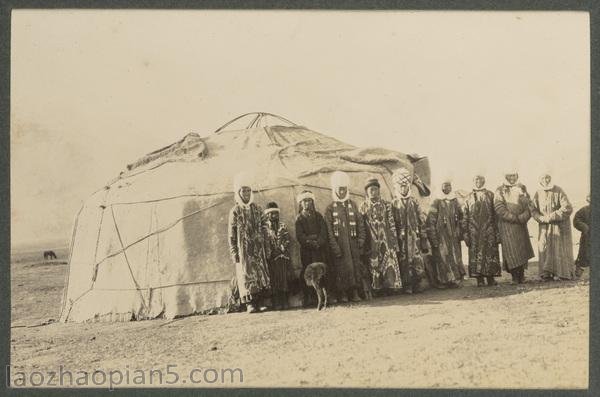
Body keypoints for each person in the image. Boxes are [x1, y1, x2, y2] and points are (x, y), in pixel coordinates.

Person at [227, 173, 271, 313]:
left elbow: (265, 227)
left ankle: (260, 302)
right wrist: (234, 252)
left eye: (248, 190)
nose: (246, 193)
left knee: (259, 274)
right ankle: (250, 304)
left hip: (258, 248)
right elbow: (231, 234)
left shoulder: (257, 209)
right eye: (243, 190)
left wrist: (267, 246)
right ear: (238, 193)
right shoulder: (235, 211)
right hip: (243, 250)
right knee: (246, 274)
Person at [324, 171, 366, 302]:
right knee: (341, 269)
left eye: (344, 189)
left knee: (354, 268)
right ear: (335, 190)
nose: (341, 192)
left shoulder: (352, 205)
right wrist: (334, 246)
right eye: (339, 189)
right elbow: (329, 230)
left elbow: (360, 224)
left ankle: (354, 293)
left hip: (353, 244)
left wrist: (361, 239)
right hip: (340, 245)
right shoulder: (330, 208)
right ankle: (342, 294)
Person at [359, 178, 402, 294]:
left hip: (386, 239)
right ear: (367, 192)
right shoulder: (363, 206)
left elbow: (392, 223)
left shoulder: (386, 205)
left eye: (375, 189)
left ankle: (391, 287)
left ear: (379, 191)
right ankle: (376, 289)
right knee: (374, 263)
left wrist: (394, 242)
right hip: (371, 240)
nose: (373, 192)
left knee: (389, 261)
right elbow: (361, 225)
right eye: (370, 190)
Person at [530, 174, 574, 280]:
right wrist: (539, 218)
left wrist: (551, 217)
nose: (546, 180)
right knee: (544, 247)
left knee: (558, 248)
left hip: (558, 225)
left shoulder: (558, 190)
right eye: (543, 178)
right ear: (540, 179)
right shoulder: (538, 193)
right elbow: (533, 209)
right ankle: (546, 273)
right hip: (544, 226)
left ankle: (561, 273)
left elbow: (567, 208)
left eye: (548, 177)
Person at [391, 168, 428, 294]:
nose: (403, 189)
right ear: (397, 187)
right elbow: (391, 222)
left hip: (414, 237)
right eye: (401, 187)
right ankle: (407, 285)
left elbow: (421, 220)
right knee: (403, 260)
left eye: (405, 186)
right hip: (401, 239)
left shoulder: (414, 202)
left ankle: (417, 284)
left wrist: (423, 238)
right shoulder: (394, 203)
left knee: (416, 260)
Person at [494, 171, 534, 284]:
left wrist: (523, 217)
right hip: (507, 226)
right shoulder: (500, 190)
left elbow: (529, 205)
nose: (512, 178)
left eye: (514, 176)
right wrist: (513, 218)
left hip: (520, 225)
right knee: (511, 251)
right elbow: (499, 208)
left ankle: (522, 276)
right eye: (510, 176)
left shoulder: (522, 188)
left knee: (521, 250)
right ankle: (515, 277)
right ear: (506, 176)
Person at [294, 190, 334, 306]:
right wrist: (311, 241)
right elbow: (300, 236)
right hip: (307, 251)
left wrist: (319, 242)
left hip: (320, 250)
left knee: (322, 273)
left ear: (313, 202)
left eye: (309, 201)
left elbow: (323, 232)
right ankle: (311, 297)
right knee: (310, 274)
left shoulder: (318, 216)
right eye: (304, 201)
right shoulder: (299, 219)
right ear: (301, 203)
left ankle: (326, 297)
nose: (307, 203)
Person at [462, 175, 501, 286]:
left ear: (484, 181)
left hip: (489, 229)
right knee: (475, 252)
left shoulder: (490, 195)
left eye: (481, 180)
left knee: (490, 252)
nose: (478, 182)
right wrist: (465, 233)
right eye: (476, 180)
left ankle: (490, 278)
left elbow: (496, 214)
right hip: (474, 230)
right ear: (473, 181)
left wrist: (497, 231)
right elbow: (465, 216)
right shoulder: (468, 197)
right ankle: (479, 279)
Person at [426, 180, 466, 288]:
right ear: (441, 187)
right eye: (445, 186)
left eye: (449, 186)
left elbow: (461, 217)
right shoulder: (436, 202)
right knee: (442, 257)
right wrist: (433, 236)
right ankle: (443, 281)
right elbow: (431, 220)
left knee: (454, 256)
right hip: (441, 237)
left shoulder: (454, 202)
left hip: (453, 236)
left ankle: (454, 280)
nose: (447, 188)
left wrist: (459, 229)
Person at [264, 202, 291, 310]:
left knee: (284, 278)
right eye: (272, 214)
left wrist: (282, 249)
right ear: (267, 215)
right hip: (272, 258)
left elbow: (287, 239)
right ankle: (276, 301)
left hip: (283, 256)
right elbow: (265, 242)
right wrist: (272, 252)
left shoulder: (282, 225)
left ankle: (285, 300)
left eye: (276, 213)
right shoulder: (265, 228)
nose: (274, 215)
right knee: (274, 279)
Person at [573, 195, 590, 278]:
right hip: (587, 237)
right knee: (583, 254)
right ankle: (579, 271)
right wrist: (584, 227)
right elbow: (576, 220)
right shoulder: (584, 210)